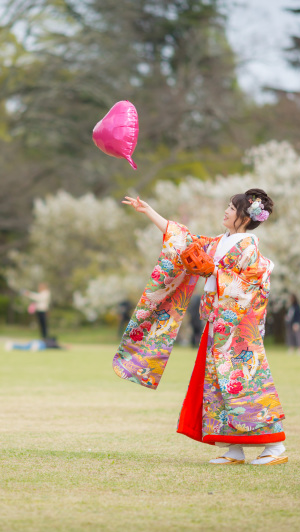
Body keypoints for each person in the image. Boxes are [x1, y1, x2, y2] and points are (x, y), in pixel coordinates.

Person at [121, 189, 287, 466]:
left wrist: (213, 271)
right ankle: (233, 448)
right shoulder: (221, 241)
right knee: (219, 385)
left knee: (245, 383)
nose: (226, 211)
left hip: (238, 325)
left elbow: (249, 284)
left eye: (231, 209)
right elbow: (185, 240)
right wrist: (149, 212)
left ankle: (274, 446)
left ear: (245, 217)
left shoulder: (248, 247)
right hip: (218, 321)